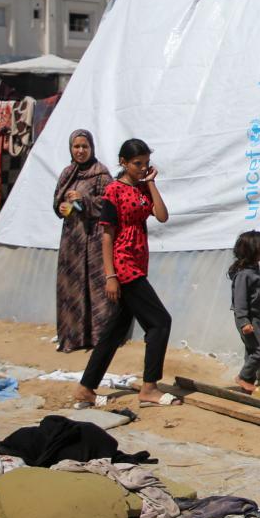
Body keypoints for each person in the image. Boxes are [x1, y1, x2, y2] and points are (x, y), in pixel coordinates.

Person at [75, 138, 178, 408]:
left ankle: (86, 388)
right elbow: (106, 236)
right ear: (123, 162)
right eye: (137, 164)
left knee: (115, 330)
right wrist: (111, 275)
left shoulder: (144, 188)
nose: (143, 168)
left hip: (138, 260)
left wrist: (152, 183)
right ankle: (149, 387)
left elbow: (162, 215)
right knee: (160, 322)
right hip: (124, 265)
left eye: (145, 163)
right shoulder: (113, 192)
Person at [53, 129, 114, 352]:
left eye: (84, 147)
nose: (80, 151)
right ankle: (73, 336)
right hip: (72, 240)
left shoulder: (101, 173)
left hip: (94, 239)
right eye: (76, 147)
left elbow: (110, 203)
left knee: (94, 286)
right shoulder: (67, 173)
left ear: (92, 148)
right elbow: (58, 201)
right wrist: (61, 207)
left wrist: (84, 199)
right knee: (71, 286)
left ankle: (97, 337)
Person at [229, 230, 260, 394]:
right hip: (246, 319)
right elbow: (240, 301)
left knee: (252, 350)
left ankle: (247, 382)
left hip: (255, 317)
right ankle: (243, 377)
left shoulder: (254, 269)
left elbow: (255, 296)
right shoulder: (244, 274)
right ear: (254, 250)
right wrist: (245, 322)